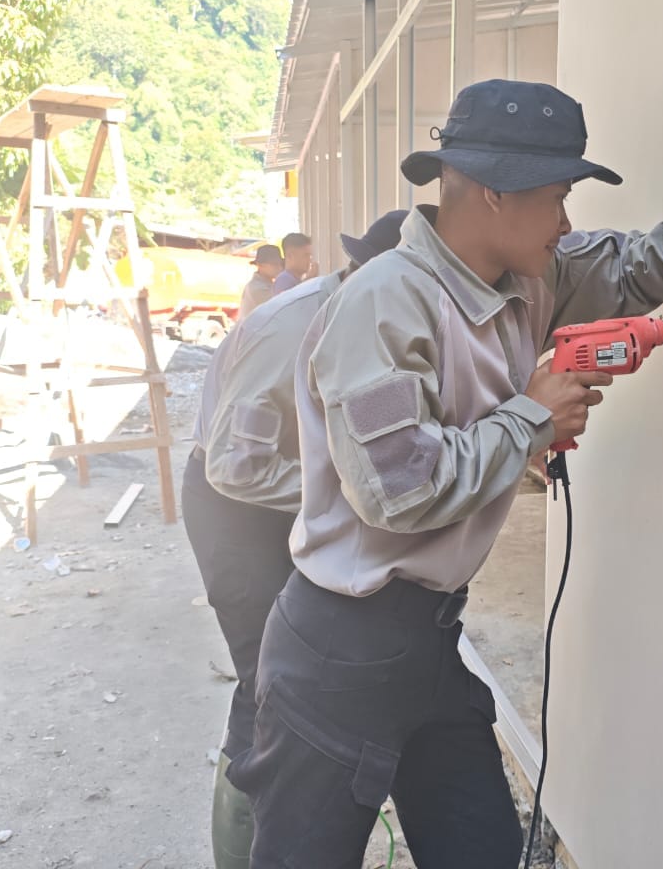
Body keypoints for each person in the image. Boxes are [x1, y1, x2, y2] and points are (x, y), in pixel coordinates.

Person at [227, 79, 663, 868]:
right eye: (556, 198)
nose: (565, 221)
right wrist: (529, 418)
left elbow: (617, 265)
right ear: (493, 191)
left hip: (430, 643)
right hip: (341, 653)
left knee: (480, 847)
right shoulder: (387, 303)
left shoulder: (527, 282)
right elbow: (396, 491)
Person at [183, 210, 410, 869]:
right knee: (267, 680)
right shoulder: (291, 329)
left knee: (314, 669)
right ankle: (246, 850)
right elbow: (236, 466)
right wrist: (350, 492)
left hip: (295, 492)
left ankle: (300, 823)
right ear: (373, 276)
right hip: (235, 504)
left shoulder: (386, 325)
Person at [239, 244, 284, 320]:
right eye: (274, 264)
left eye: (280, 264)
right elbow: (279, 308)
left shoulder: (267, 284)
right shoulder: (257, 288)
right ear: (260, 265)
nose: (279, 267)